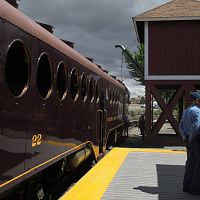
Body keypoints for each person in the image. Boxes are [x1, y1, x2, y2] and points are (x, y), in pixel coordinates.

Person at [179, 91, 200, 195]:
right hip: (195, 140)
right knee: (198, 163)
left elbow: (181, 126)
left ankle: (186, 186)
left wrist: (185, 138)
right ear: (196, 100)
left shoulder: (186, 110)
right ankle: (195, 187)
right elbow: (196, 127)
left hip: (188, 139)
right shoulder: (197, 111)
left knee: (190, 163)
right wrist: (192, 138)